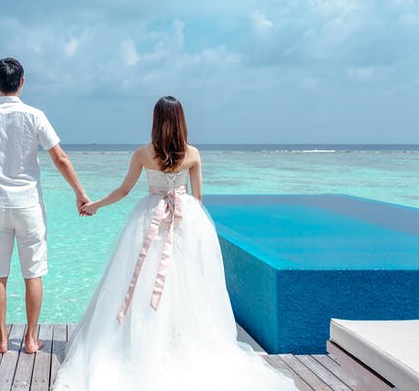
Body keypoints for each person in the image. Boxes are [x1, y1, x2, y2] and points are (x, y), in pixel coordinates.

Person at [54, 96, 295, 390]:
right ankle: (180, 341)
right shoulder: (193, 154)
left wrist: (96, 205)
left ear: (156, 122)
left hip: (149, 220)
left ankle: (143, 344)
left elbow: (124, 190)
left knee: (143, 283)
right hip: (185, 220)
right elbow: (198, 198)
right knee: (187, 285)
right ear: (181, 121)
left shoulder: (143, 154)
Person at [0, 57, 91, 355]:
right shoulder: (35, 116)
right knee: (32, 273)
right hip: (29, 206)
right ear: (22, 82)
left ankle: (0, 338)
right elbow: (60, 158)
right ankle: (32, 339)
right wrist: (80, 193)